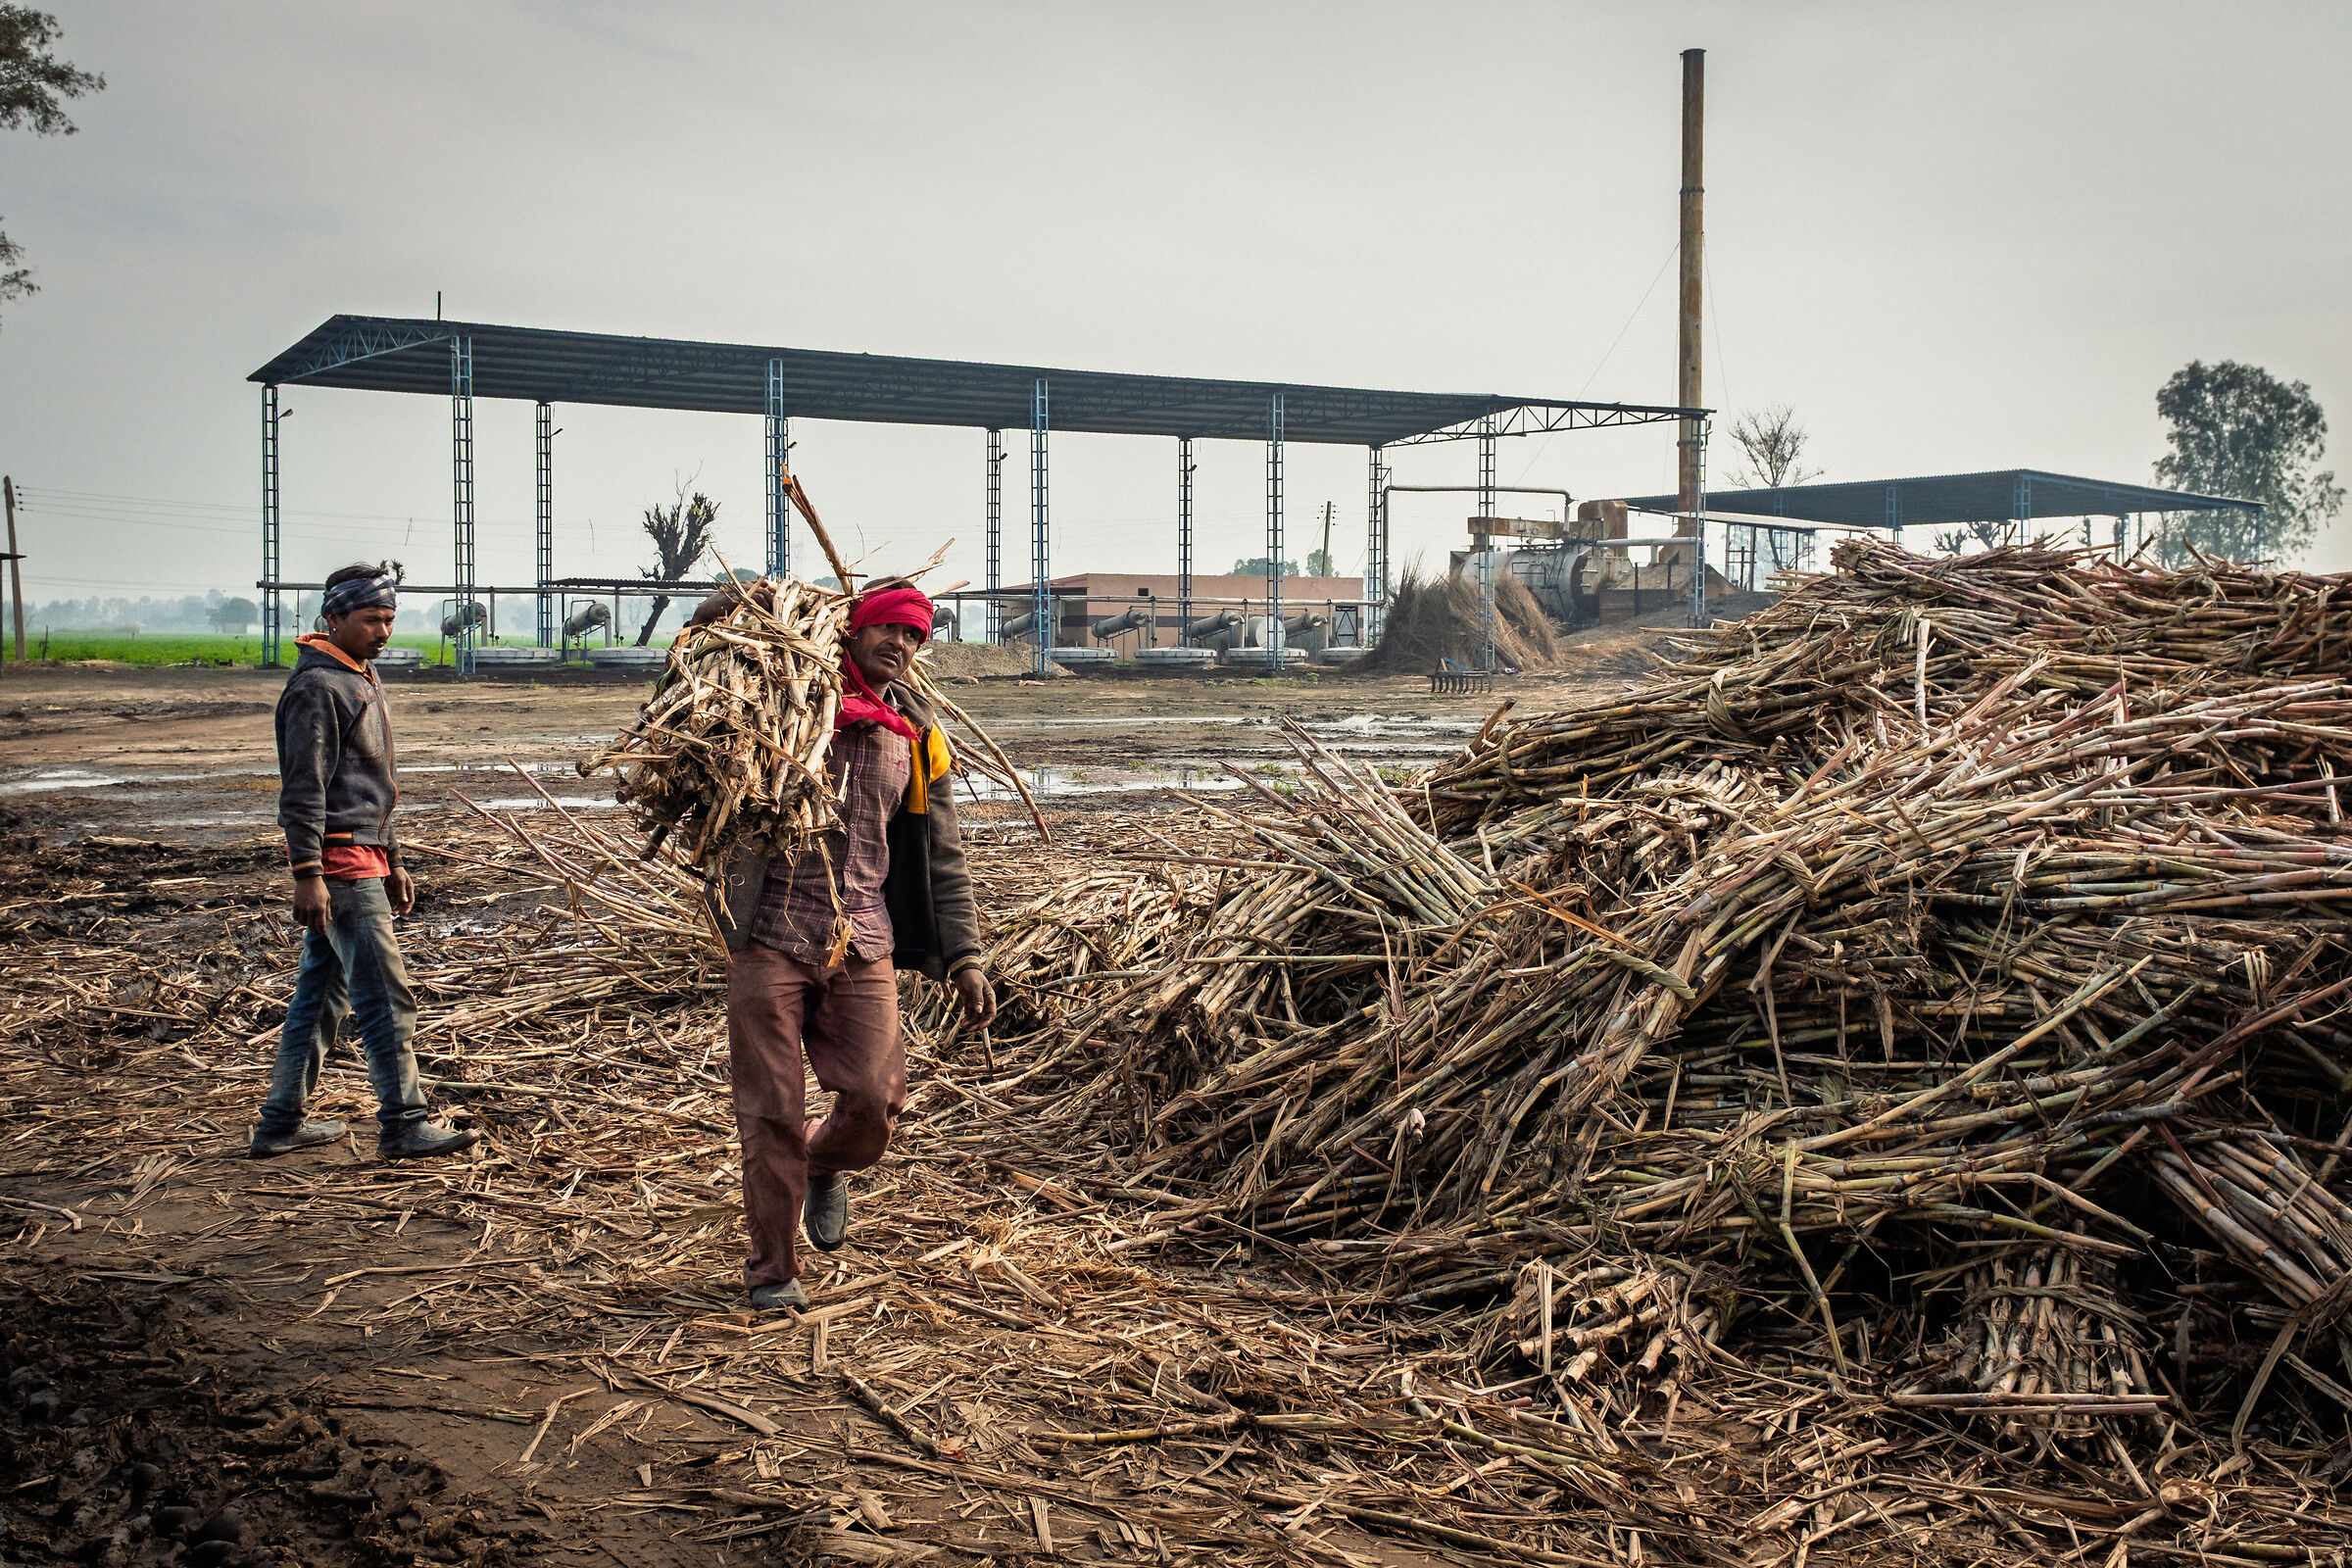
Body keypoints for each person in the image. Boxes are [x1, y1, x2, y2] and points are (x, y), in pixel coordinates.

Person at [698, 579, 997, 1312]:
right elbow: (704, 682)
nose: (901, 645)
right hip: (769, 933)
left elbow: (940, 855)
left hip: (863, 938)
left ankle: (824, 1164)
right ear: (854, 633)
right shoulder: (790, 701)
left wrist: (965, 956)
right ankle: (773, 1272)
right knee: (770, 1111)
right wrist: (717, 617)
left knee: (874, 1101)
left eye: (916, 636)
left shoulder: (918, 733)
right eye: (889, 630)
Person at [251, 563, 480, 1162]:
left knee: (322, 995)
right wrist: (307, 874)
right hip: (340, 865)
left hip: (365, 854)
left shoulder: (359, 677)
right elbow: (304, 790)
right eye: (371, 619)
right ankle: (403, 1121)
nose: (383, 630)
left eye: (389, 619)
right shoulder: (318, 689)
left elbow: (373, 784)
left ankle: (279, 1122)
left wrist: (395, 857)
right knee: (382, 992)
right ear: (333, 619)